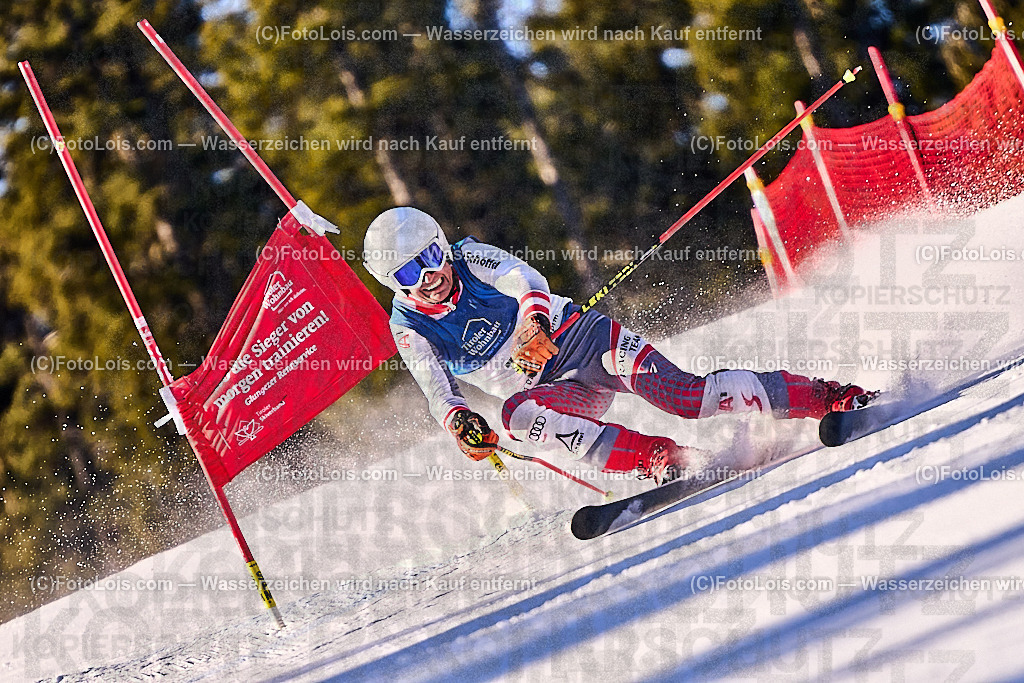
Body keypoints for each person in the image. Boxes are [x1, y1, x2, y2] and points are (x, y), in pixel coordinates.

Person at [363, 207, 873, 485]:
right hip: (553, 392)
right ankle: (658, 457)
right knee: (517, 415)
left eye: (431, 255)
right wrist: (460, 423)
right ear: (395, 282)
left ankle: (827, 396)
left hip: (584, 341)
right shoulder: (409, 328)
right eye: (411, 270)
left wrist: (535, 326)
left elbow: (524, 277)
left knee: (688, 398)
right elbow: (437, 388)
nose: (430, 275)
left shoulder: (470, 257)